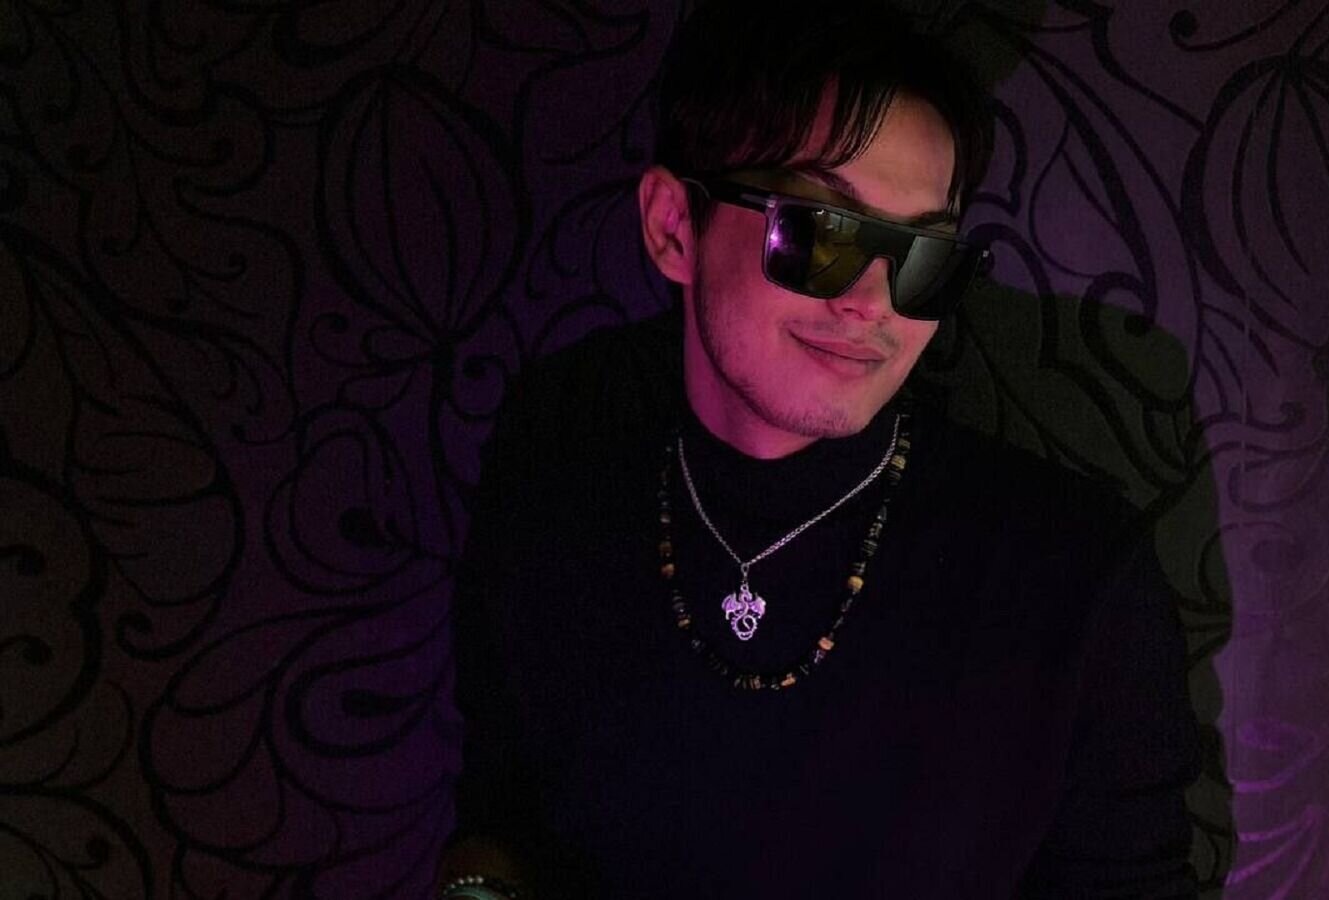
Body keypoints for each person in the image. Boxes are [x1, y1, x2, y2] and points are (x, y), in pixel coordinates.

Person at [437, 0, 1202, 897]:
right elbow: (500, 817)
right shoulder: (557, 468)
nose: (873, 303)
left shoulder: (1074, 578)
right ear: (674, 225)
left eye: (922, 256)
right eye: (820, 230)